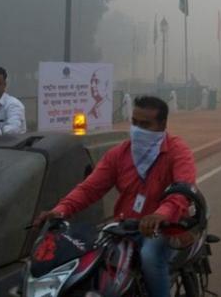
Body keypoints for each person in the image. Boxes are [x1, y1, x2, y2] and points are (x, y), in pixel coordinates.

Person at [34, 96, 196, 297]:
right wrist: (59, 210)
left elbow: (183, 190)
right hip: (126, 226)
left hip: (165, 227)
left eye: (145, 124)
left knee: (150, 257)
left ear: (162, 125)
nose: (137, 129)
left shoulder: (177, 151)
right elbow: (89, 188)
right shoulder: (119, 154)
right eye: (134, 123)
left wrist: (161, 214)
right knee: (98, 262)